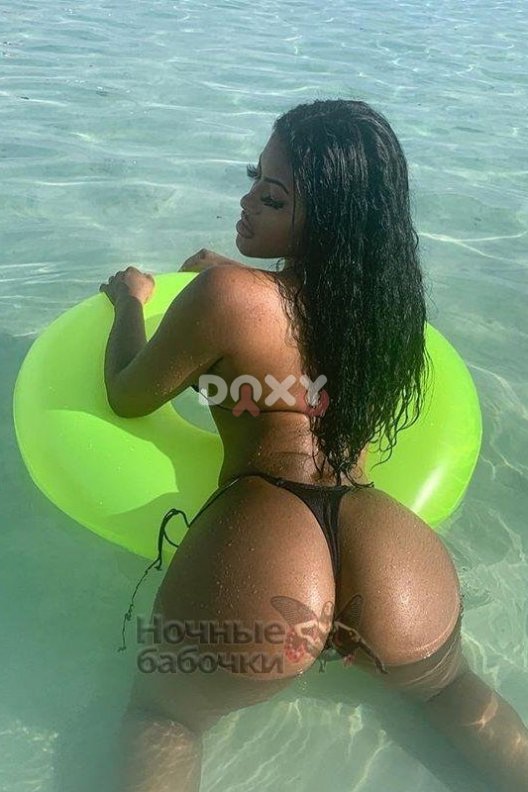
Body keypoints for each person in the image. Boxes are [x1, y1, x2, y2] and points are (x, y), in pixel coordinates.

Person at [99, 99, 528, 791]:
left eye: (271, 197)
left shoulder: (225, 297)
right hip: (388, 554)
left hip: (265, 541)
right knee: (452, 693)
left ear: (324, 222)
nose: (246, 202)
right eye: (253, 179)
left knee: (166, 718)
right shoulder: (387, 310)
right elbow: (297, 330)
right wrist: (243, 278)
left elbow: (128, 394)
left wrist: (131, 303)